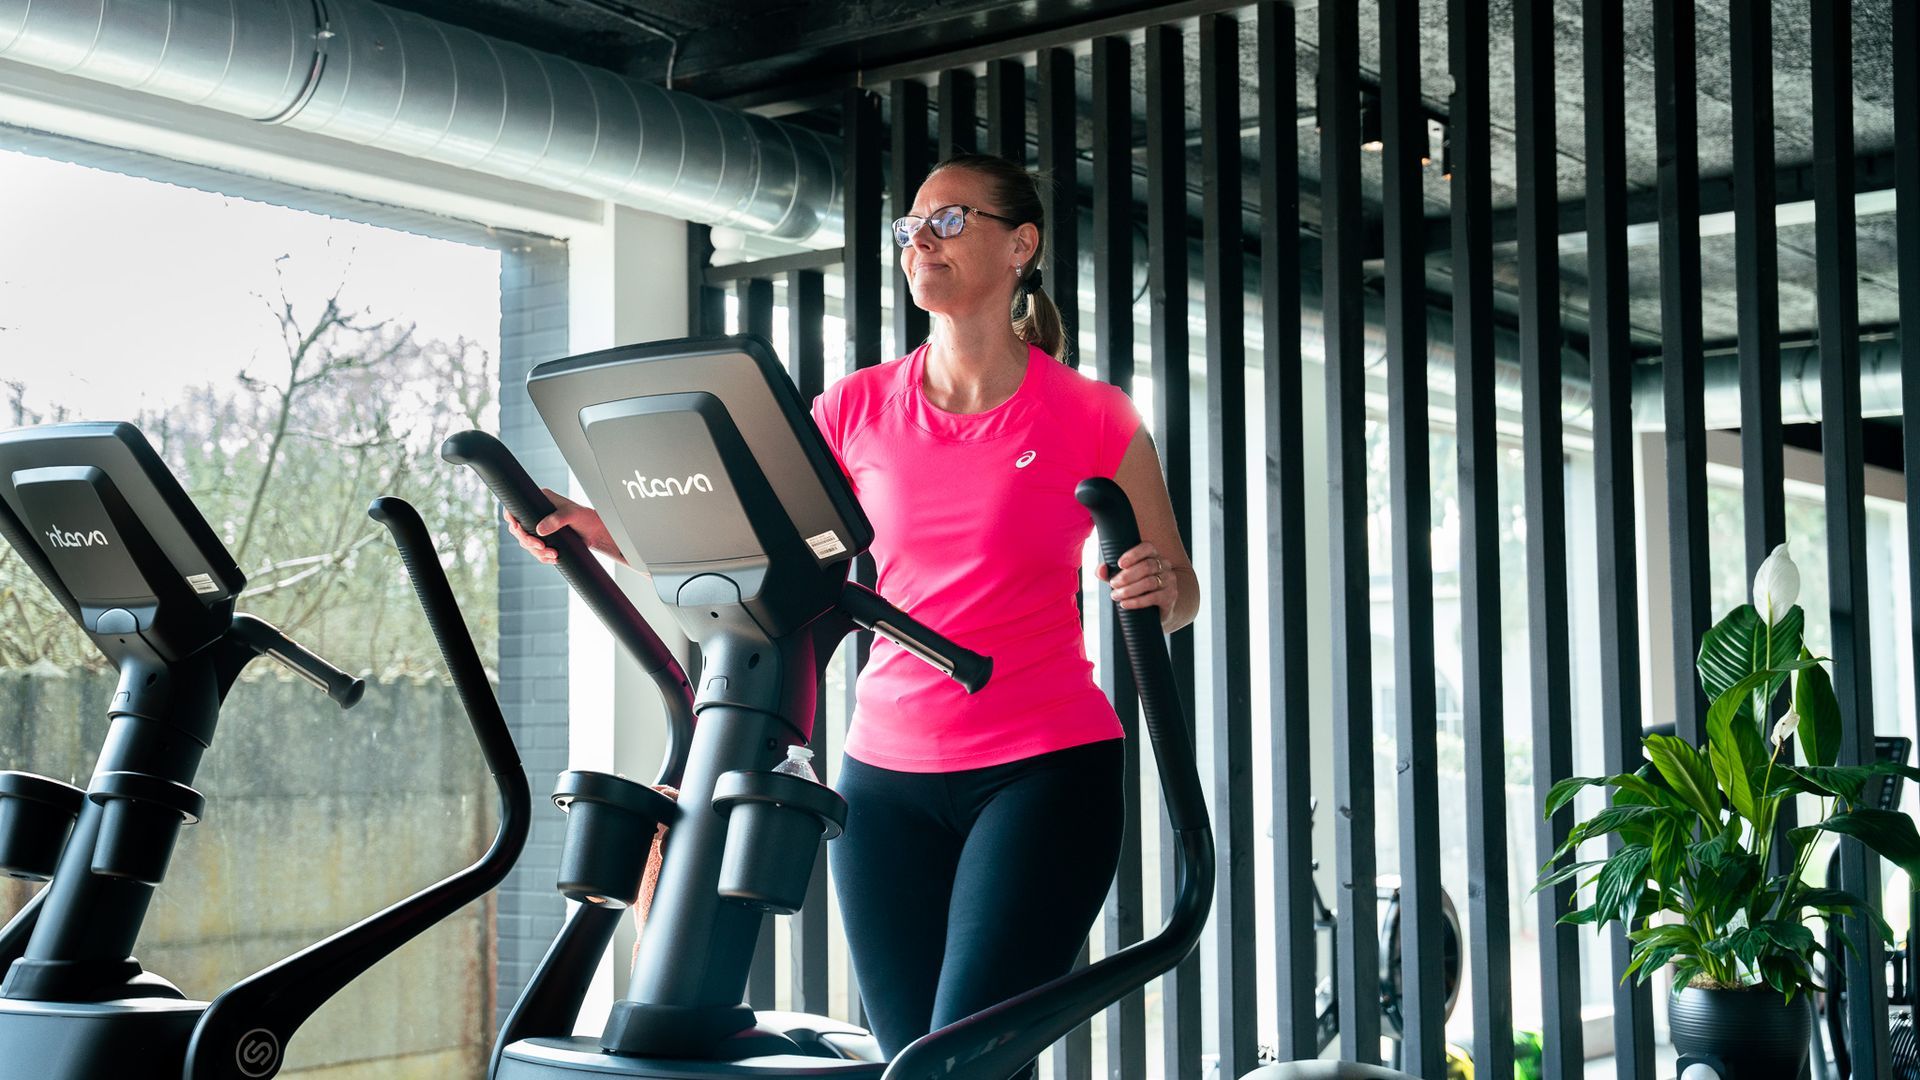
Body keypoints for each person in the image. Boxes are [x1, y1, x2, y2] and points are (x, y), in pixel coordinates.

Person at [506, 151, 1198, 1077]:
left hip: (1043, 769)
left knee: (959, 1064)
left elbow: (1178, 592)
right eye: (911, 228)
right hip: (883, 780)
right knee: (909, 1058)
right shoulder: (858, 407)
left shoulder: (1095, 415)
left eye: (951, 221)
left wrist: (1157, 583)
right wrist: (592, 529)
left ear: (1019, 245)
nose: (922, 241)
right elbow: (749, 539)